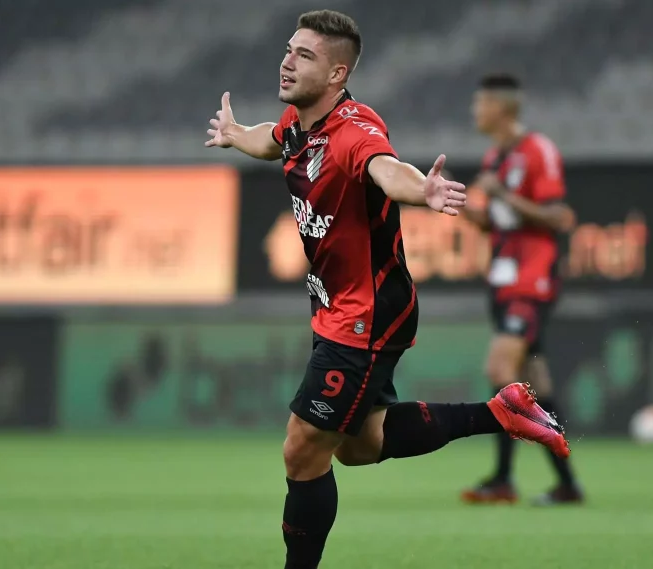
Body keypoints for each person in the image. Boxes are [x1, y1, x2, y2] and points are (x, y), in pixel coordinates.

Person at [204, 10, 571, 569]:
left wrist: (423, 191)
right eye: (288, 49)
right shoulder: (298, 122)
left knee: (303, 447)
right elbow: (273, 141)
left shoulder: (355, 130)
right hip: (336, 307)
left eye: (304, 55)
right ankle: (500, 413)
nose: (287, 61)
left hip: (367, 312)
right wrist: (236, 135)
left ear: (337, 74)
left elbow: (386, 168)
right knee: (359, 445)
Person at [460, 73, 584, 507]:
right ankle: (567, 484)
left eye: (480, 104)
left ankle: (502, 479)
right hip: (503, 280)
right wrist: (463, 205)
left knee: (501, 370)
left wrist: (503, 196)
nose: (475, 111)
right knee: (535, 383)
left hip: (531, 279)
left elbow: (558, 216)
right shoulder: (496, 156)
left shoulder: (537, 151)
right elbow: (494, 221)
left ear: (501, 107)